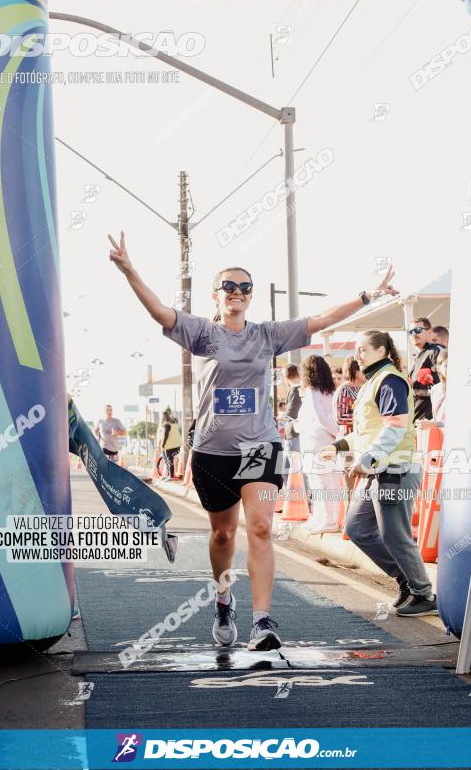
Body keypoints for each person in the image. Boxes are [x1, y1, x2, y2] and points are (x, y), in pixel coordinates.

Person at [107, 229, 398, 649]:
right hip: (213, 451)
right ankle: (224, 599)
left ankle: (263, 621)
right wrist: (130, 269)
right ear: (216, 295)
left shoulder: (267, 335)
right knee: (223, 535)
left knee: (260, 528)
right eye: (229, 286)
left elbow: (321, 320)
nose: (237, 292)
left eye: (244, 287)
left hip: (260, 446)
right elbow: (159, 312)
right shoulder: (202, 333)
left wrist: (368, 296)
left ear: (251, 296)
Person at [321, 330, 437, 617]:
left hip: (395, 468)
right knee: (357, 529)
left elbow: (394, 427)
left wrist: (367, 460)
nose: (357, 355)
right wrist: (338, 446)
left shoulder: (389, 381)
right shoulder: (373, 382)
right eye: (357, 349)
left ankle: (423, 594)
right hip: (379, 470)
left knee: (395, 535)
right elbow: (366, 432)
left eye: (363, 349)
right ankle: (407, 581)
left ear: (382, 351)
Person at [295, 355, 341, 534]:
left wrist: (338, 435)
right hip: (324, 442)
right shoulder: (329, 391)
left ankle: (327, 521)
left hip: (318, 444)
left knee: (321, 485)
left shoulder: (313, 392)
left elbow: (322, 418)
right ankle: (323, 519)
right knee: (327, 484)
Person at [408, 317, 441, 423]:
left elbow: (441, 388)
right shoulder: (420, 354)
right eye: (410, 332)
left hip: (429, 420)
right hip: (418, 419)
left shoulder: (435, 352)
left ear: (429, 331)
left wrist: (413, 389)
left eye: (418, 330)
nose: (414, 334)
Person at [333, 356, 365, 435]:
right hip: (349, 439)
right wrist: (364, 417)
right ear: (355, 371)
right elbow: (340, 417)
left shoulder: (361, 388)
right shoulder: (344, 390)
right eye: (363, 369)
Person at [417, 348, 448, 430]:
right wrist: (425, 423)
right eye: (446, 366)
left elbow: (458, 420)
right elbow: (437, 417)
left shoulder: (461, 389)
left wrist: (433, 424)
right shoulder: (435, 389)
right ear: (439, 368)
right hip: (438, 436)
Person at [159, 409, 182, 480]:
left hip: (170, 446)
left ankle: (170, 476)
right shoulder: (174, 422)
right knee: (169, 460)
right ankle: (168, 475)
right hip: (177, 445)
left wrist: (163, 444)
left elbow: (166, 435)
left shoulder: (166, 424)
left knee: (169, 461)